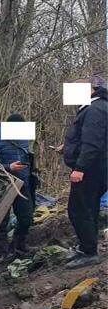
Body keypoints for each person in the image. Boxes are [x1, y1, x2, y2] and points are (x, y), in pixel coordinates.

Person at [63, 76, 108, 269]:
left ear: (90, 90)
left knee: (78, 209)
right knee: (90, 208)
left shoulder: (94, 110)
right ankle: (86, 246)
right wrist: (67, 148)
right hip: (98, 166)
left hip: (91, 168)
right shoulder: (98, 107)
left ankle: (89, 252)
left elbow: (92, 143)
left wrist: (80, 168)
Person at [0, 113, 35, 260]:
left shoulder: (24, 138)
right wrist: (9, 167)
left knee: (26, 217)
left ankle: (19, 245)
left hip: (23, 184)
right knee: (1, 220)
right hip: (3, 185)